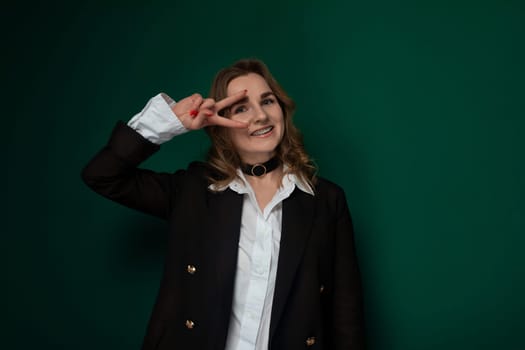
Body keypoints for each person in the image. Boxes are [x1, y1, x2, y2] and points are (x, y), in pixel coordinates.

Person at [82, 59, 366, 350]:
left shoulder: (327, 200)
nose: (260, 116)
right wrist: (170, 122)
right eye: (241, 108)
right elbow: (102, 176)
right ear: (221, 127)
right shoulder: (192, 190)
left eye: (267, 101)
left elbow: (347, 312)